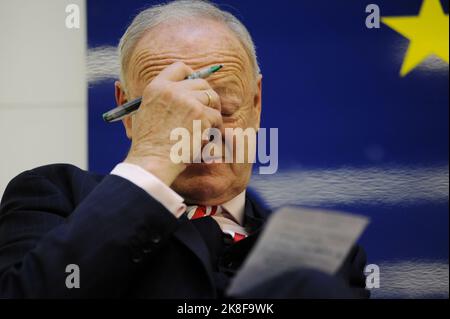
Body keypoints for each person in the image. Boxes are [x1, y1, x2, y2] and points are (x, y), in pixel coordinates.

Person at [0, 0, 369, 298]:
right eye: (172, 108)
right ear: (127, 110)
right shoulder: (55, 196)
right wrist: (153, 160)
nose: (203, 128)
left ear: (256, 103)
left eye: (223, 108)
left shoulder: (323, 250)